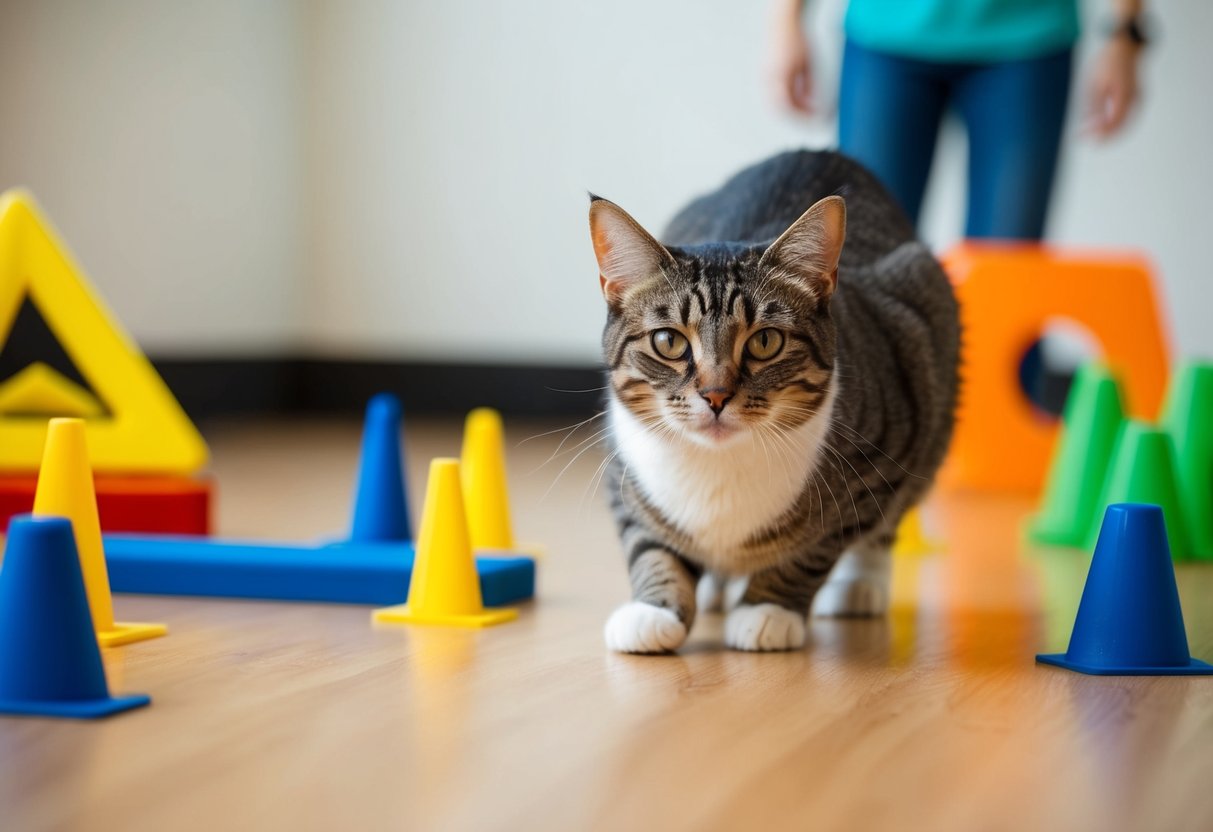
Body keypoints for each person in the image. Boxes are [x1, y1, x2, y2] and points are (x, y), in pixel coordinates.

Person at [769, 0, 1148, 240]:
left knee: (1009, 271)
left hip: (1030, 36)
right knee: (867, 256)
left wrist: (1125, 29)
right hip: (885, 32)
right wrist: (788, 17)